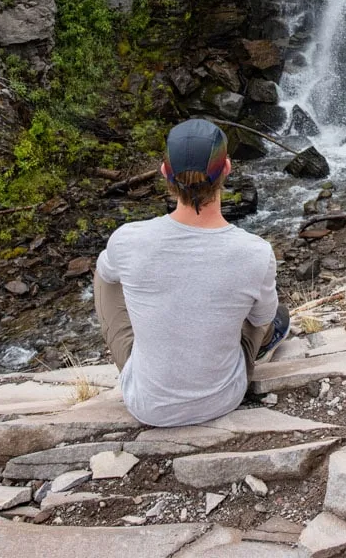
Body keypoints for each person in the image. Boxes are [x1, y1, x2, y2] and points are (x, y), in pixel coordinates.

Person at [94, 118, 290, 427]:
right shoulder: (256, 251)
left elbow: (108, 277)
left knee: (105, 275)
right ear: (227, 168)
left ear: (164, 173)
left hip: (146, 405)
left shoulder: (128, 239)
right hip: (224, 398)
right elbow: (261, 320)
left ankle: (151, 358)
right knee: (273, 315)